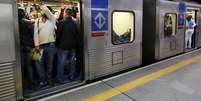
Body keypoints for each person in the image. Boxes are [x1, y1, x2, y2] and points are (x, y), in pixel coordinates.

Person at [34, 4, 57, 86]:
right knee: (38, 64)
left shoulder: (52, 20)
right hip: (39, 46)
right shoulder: (37, 21)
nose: (47, 13)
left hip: (51, 45)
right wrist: (36, 46)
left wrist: (42, 5)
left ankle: (49, 79)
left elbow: (48, 12)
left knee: (49, 64)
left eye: (49, 12)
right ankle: (42, 80)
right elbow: (35, 34)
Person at [56, 8, 79, 83]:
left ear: (65, 14)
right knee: (72, 62)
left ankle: (60, 79)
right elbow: (77, 35)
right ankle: (71, 76)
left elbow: (58, 35)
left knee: (61, 63)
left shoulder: (61, 23)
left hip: (63, 47)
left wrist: (57, 44)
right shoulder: (74, 23)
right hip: (73, 46)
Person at [18, 8, 35, 89]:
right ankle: (31, 83)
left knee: (21, 67)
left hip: (19, 48)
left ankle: (22, 85)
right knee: (29, 66)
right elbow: (32, 34)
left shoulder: (14, 23)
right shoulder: (28, 23)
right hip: (28, 47)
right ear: (24, 14)